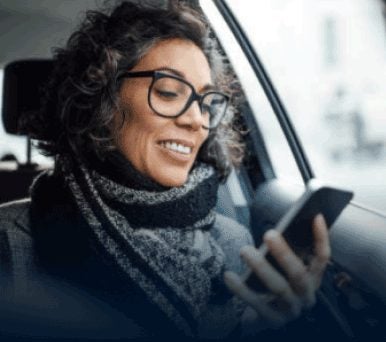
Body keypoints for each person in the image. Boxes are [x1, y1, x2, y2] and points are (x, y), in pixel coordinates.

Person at [0, 1, 330, 340]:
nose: (197, 120)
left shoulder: (235, 243)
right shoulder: (9, 241)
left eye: (206, 103)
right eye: (170, 92)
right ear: (103, 98)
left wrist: (264, 329)